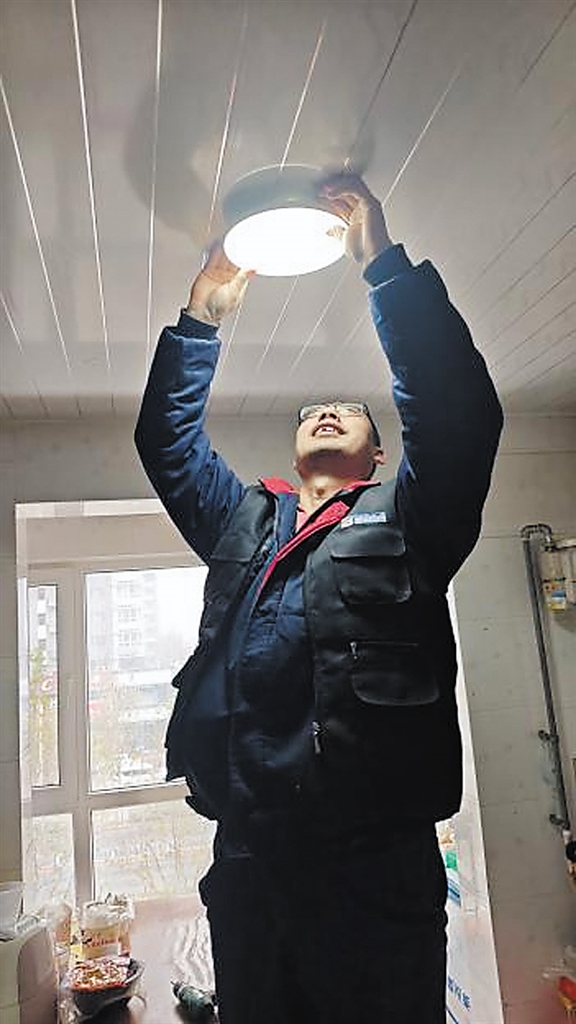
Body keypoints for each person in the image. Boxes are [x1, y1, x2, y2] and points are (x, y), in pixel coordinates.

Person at [135, 173, 503, 1024]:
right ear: (295, 446)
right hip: (250, 861)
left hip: (376, 867)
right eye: (314, 409)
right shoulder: (242, 519)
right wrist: (202, 318)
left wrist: (385, 269)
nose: (328, 411)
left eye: (348, 410)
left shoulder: (410, 518)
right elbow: (167, 443)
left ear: (377, 457)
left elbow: (459, 418)